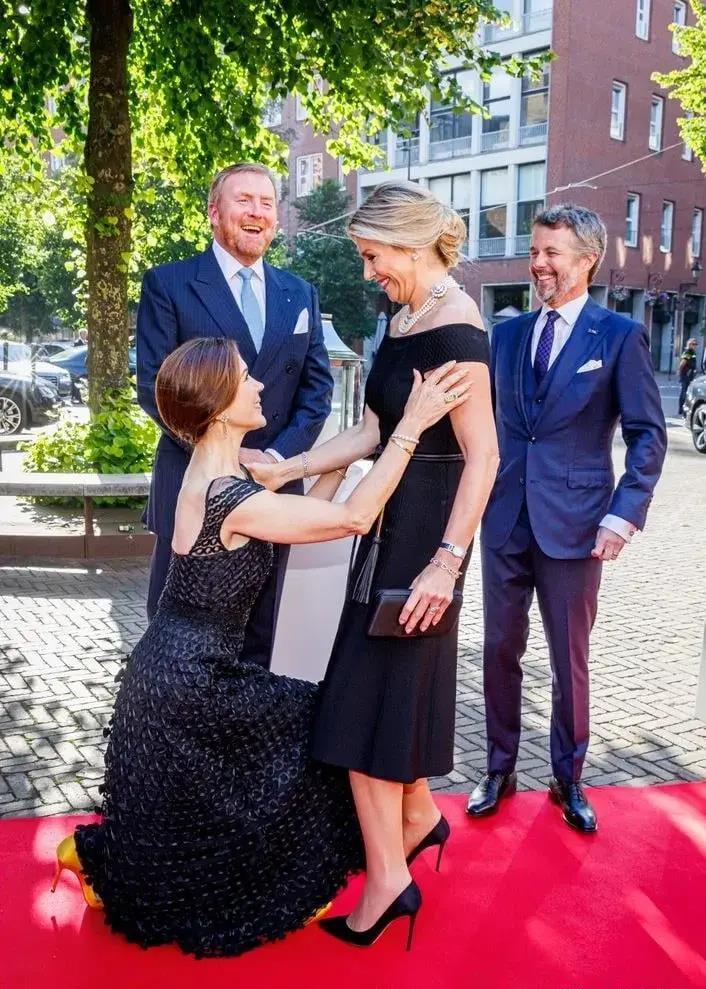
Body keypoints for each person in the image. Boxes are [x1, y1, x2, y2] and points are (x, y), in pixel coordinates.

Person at [49, 336, 469, 957]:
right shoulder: (229, 494)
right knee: (336, 720)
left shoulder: (220, 476)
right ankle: (410, 827)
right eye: (246, 378)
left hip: (173, 671)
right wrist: (409, 425)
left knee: (318, 730)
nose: (260, 386)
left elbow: (292, 525)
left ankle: (418, 820)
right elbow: (352, 520)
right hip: (194, 683)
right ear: (219, 406)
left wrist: (339, 458)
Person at [252, 182, 498, 948]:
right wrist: (289, 468)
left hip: (426, 544)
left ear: (411, 242)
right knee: (380, 700)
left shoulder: (459, 327)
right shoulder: (403, 320)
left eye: (372, 255)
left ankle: (390, 880)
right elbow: (370, 431)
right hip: (385, 534)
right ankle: (417, 820)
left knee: (360, 707)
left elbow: (485, 457)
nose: (368, 272)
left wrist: (447, 564)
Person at [467, 204, 667, 834]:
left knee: (568, 659)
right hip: (505, 520)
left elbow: (648, 435)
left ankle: (568, 777)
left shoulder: (619, 336)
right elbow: (485, 429)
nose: (538, 264)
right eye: (535, 251)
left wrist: (622, 516)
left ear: (587, 260)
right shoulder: (505, 337)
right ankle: (498, 768)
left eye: (551, 253)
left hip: (578, 527)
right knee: (499, 649)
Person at [136, 161, 333, 667]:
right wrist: (223, 454)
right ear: (214, 213)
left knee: (258, 639)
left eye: (267, 203)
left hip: (274, 486)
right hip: (193, 483)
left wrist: (276, 458)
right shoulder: (169, 284)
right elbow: (155, 388)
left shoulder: (300, 293)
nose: (256, 212)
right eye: (243, 200)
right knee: (178, 640)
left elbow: (317, 391)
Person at [678, 337, 698, 416]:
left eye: (696, 344)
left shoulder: (692, 352)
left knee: (687, 392)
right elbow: (682, 363)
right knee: (684, 392)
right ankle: (681, 409)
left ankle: (684, 409)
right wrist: (679, 372)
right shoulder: (688, 352)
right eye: (693, 344)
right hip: (686, 375)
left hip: (690, 375)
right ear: (689, 344)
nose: (695, 346)